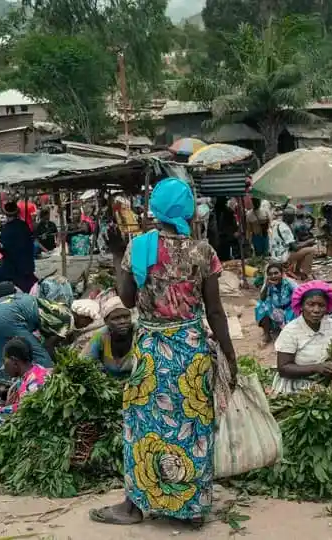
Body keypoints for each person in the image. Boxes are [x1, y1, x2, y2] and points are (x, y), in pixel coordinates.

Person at [91, 177, 236, 526]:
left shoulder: (139, 247)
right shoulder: (203, 251)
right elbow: (215, 312)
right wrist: (230, 356)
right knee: (193, 428)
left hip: (153, 353)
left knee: (144, 427)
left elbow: (125, 300)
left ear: (155, 209)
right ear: (186, 210)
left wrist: (115, 253)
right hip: (191, 351)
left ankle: (134, 506)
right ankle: (190, 509)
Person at [0, 292, 94, 387]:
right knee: (39, 356)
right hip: (8, 315)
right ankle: (46, 384)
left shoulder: (62, 308)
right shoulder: (68, 321)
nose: (87, 325)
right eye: (88, 321)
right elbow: (48, 347)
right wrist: (54, 368)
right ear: (82, 316)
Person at [272, 281, 332, 395]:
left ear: (327, 308)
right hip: (298, 383)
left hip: (328, 379)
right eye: (310, 304)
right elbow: (283, 369)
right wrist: (316, 368)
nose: (316, 310)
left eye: (321, 305)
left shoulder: (331, 325)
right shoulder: (291, 331)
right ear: (301, 306)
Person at [0, 337, 51, 426]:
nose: (3, 366)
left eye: (4, 360)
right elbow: (17, 407)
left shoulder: (35, 383)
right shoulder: (33, 371)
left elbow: (21, 420)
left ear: (15, 362)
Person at [0, 201, 37, 294]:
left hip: (13, 267)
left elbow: (2, 248)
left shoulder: (7, 229)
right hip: (27, 264)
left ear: (5, 214)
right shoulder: (24, 225)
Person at [81, 295, 136, 379]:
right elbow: (84, 363)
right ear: (106, 321)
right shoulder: (100, 335)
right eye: (116, 318)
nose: (122, 321)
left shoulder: (140, 333)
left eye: (126, 316)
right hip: (110, 385)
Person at [254, 262, 298, 344]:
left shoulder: (289, 283)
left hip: (289, 310)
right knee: (261, 305)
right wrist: (266, 286)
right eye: (270, 274)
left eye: (276, 273)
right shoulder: (268, 284)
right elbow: (262, 298)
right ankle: (267, 334)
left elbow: (300, 294)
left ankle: (289, 330)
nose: (273, 276)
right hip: (276, 310)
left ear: (282, 274)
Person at [269, 207, 316, 279]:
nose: (295, 219)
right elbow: (295, 247)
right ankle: (306, 274)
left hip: (277, 254)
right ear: (290, 218)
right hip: (282, 256)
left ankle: (297, 271)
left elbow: (293, 244)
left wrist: (304, 243)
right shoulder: (285, 228)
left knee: (303, 249)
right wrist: (307, 242)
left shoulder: (278, 224)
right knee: (311, 250)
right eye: (294, 217)